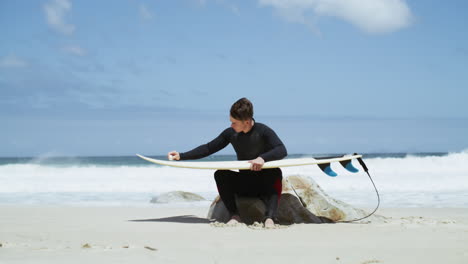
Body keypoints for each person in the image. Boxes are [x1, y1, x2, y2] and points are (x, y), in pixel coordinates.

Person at [168, 98, 287, 228]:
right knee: (220, 174)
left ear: (246, 122)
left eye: (234, 122)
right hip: (245, 184)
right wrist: (181, 156)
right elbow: (208, 148)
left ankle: (270, 217)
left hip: (264, 186)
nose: (231, 125)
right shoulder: (231, 134)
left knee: (275, 172)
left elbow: (281, 149)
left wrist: (262, 158)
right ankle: (235, 216)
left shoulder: (263, 131)